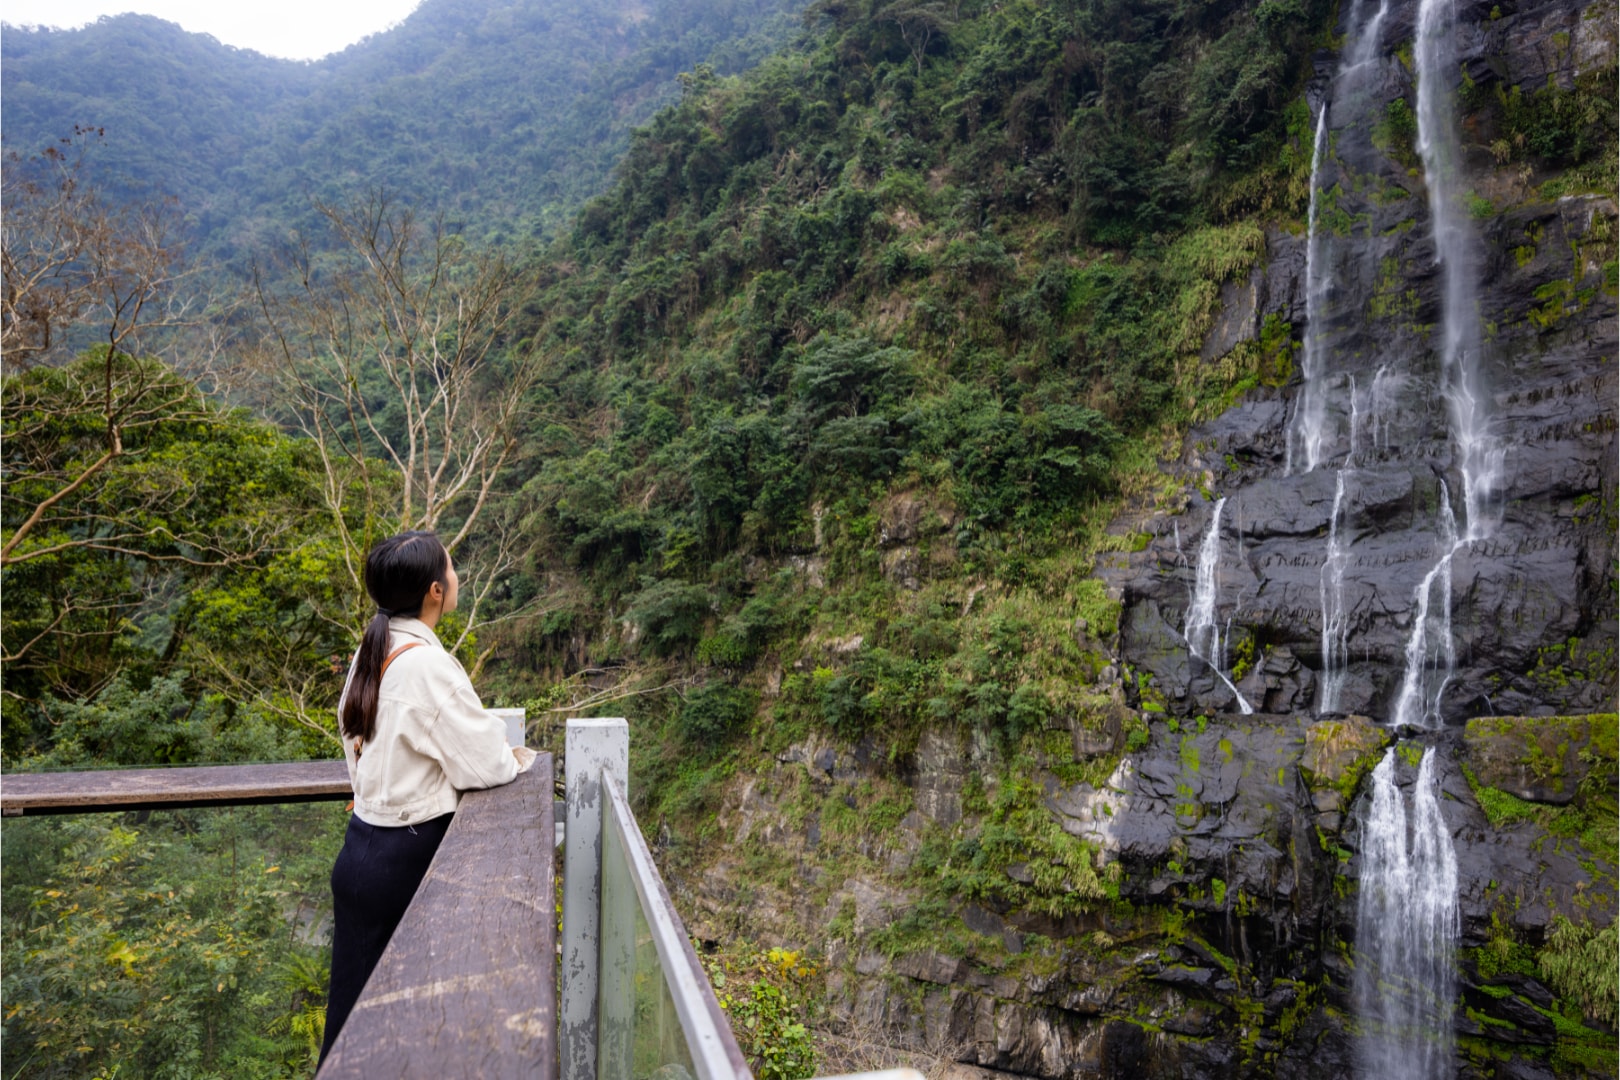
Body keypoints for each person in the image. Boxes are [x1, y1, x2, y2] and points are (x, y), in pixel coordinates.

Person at [319, 530, 534, 1063]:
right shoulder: (428, 666)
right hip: (407, 864)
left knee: (350, 1038)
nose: (458, 577)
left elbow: (356, 749)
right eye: (453, 569)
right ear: (436, 591)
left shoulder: (372, 651)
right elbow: (487, 762)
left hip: (360, 852)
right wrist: (518, 757)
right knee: (413, 1033)